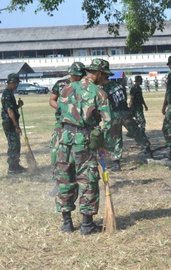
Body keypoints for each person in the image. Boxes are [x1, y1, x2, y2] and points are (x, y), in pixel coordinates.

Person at [54, 58, 112, 235]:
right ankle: (86, 224)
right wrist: (100, 144)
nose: (106, 80)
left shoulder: (67, 88)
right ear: (99, 74)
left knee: (65, 178)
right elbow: (107, 122)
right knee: (88, 179)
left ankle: (66, 223)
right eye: (105, 76)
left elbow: (58, 114)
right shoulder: (99, 93)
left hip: (63, 140)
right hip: (84, 140)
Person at [104, 69, 152, 171]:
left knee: (116, 138)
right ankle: (148, 149)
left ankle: (116, 163)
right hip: (125, 112)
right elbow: (125, 99)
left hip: (115, 114)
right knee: (136, 132)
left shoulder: (103, 88)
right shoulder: (119, 85)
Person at [49, 62, 86, 166]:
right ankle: (57, 169)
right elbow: (52, 100)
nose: (79, 77)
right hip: (62, 121)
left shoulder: (86, 86)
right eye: (77, 75)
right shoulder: (61, 84)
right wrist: (65, 109)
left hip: (80, 123)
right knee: (57, 147)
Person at [1, 73, 26, 174]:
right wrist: (16, 126)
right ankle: (12, 168)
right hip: (10, 123)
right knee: (13, 145)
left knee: (16, 144)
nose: (17, 85)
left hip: (11, 122)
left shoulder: (10, 93)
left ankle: (16, 165)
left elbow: (12, 109)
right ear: (11, 82)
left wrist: (18, 106)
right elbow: (10, 111)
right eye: (16, 83)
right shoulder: (6, 94)